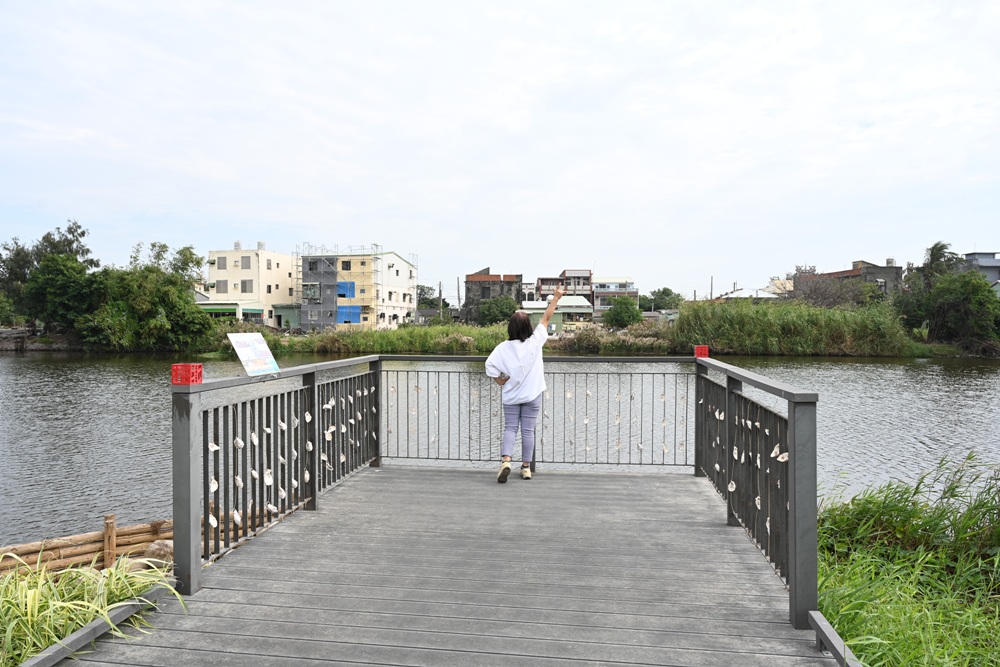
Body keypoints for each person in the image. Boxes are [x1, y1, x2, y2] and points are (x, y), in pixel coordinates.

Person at [485, 285, 566, 483]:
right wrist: (555, 297)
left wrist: (500, 380)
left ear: (510, 328)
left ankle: (505, 461)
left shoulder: (503, 348)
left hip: (511, 395)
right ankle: (526, 468)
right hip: (532, 394)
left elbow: (489, 365)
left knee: (510, 428)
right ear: (529, 327)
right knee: (528, 430)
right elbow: (546, 318)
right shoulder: (535, 341)